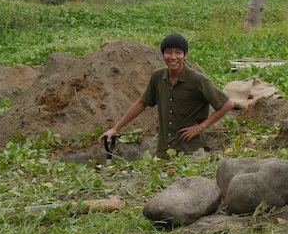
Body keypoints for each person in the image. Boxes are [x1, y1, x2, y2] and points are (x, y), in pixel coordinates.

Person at [100, 33, 234, 157]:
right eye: (168, 52)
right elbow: (142, 103)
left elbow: (227, 104)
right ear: (163, 55)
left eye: (178, 52)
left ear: (185, 55)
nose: (173, 57)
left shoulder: (198, 80)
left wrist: (200, 127)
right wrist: (115, 129)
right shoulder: (157, 77)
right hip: (164, 150)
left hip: (191, 151)